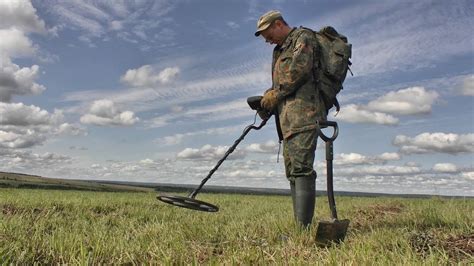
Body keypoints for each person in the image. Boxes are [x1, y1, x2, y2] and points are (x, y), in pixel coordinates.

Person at [255, 10, 326, 227]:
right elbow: (281, 84)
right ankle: (300, 228)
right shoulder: (280, 50)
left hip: (304, 115)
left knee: (302, 169)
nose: (268, 41)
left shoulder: (303, 37)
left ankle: (302, 230)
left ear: (278, 24)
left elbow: (298, 71)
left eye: (268, 35)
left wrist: (274, 95)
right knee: (292, 172)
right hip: (287, 120)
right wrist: (268, 98)